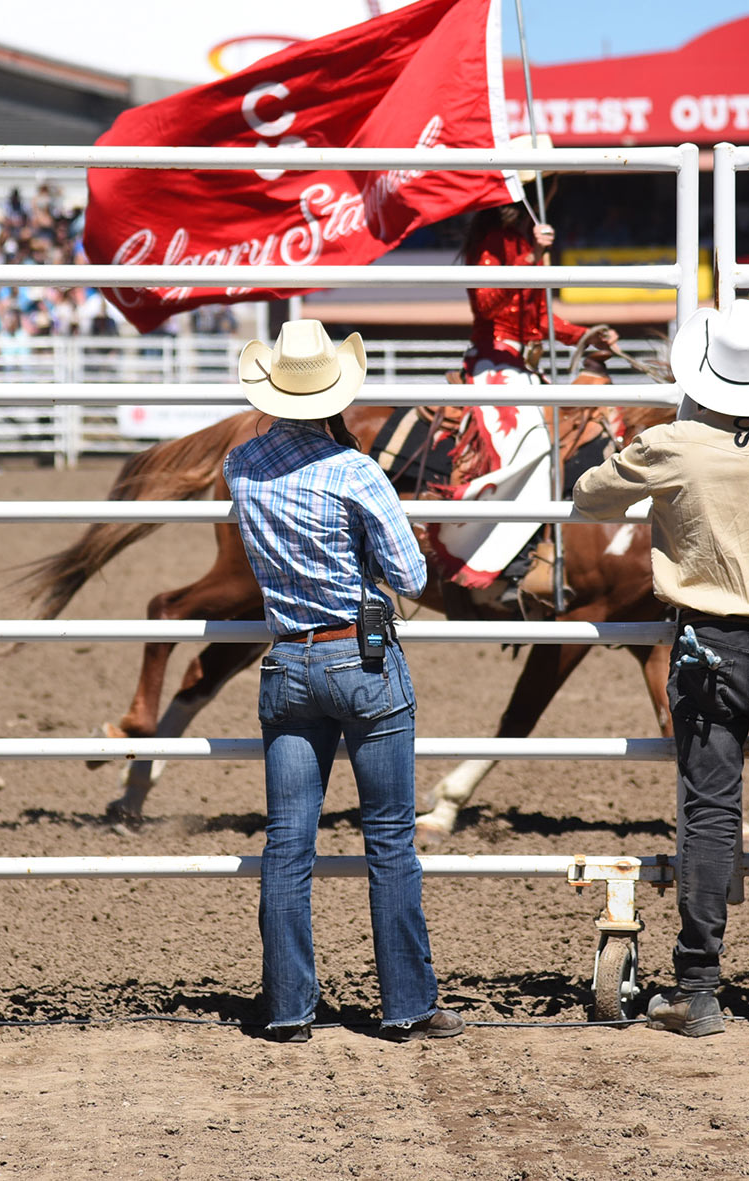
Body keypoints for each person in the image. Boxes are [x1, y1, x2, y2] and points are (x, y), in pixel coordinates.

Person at [574, 299, 749, 1039]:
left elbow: (588, 494)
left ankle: (697, 987)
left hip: (704, 642)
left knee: (708, 813)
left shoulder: (674, 443)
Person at [225, 319, 460, 1043]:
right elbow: (413, 575)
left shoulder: (241, 464)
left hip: (288, 658)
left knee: (287, 840)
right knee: (389, 837)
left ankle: (290, 1006)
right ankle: (408, 1005)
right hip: (359, 660)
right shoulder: (354, 471)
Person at [431, 152, 616, 605]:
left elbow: (537, 319)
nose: (550, 192)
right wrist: (534, 257)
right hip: (492, 364)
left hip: (524, 368)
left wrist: (583, 336)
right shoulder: (492, 241)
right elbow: (488, 305)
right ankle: (498, 559)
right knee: (531, 445)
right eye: (546, 183)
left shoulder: (519, 241)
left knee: (572, 432)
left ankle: (535, 549)